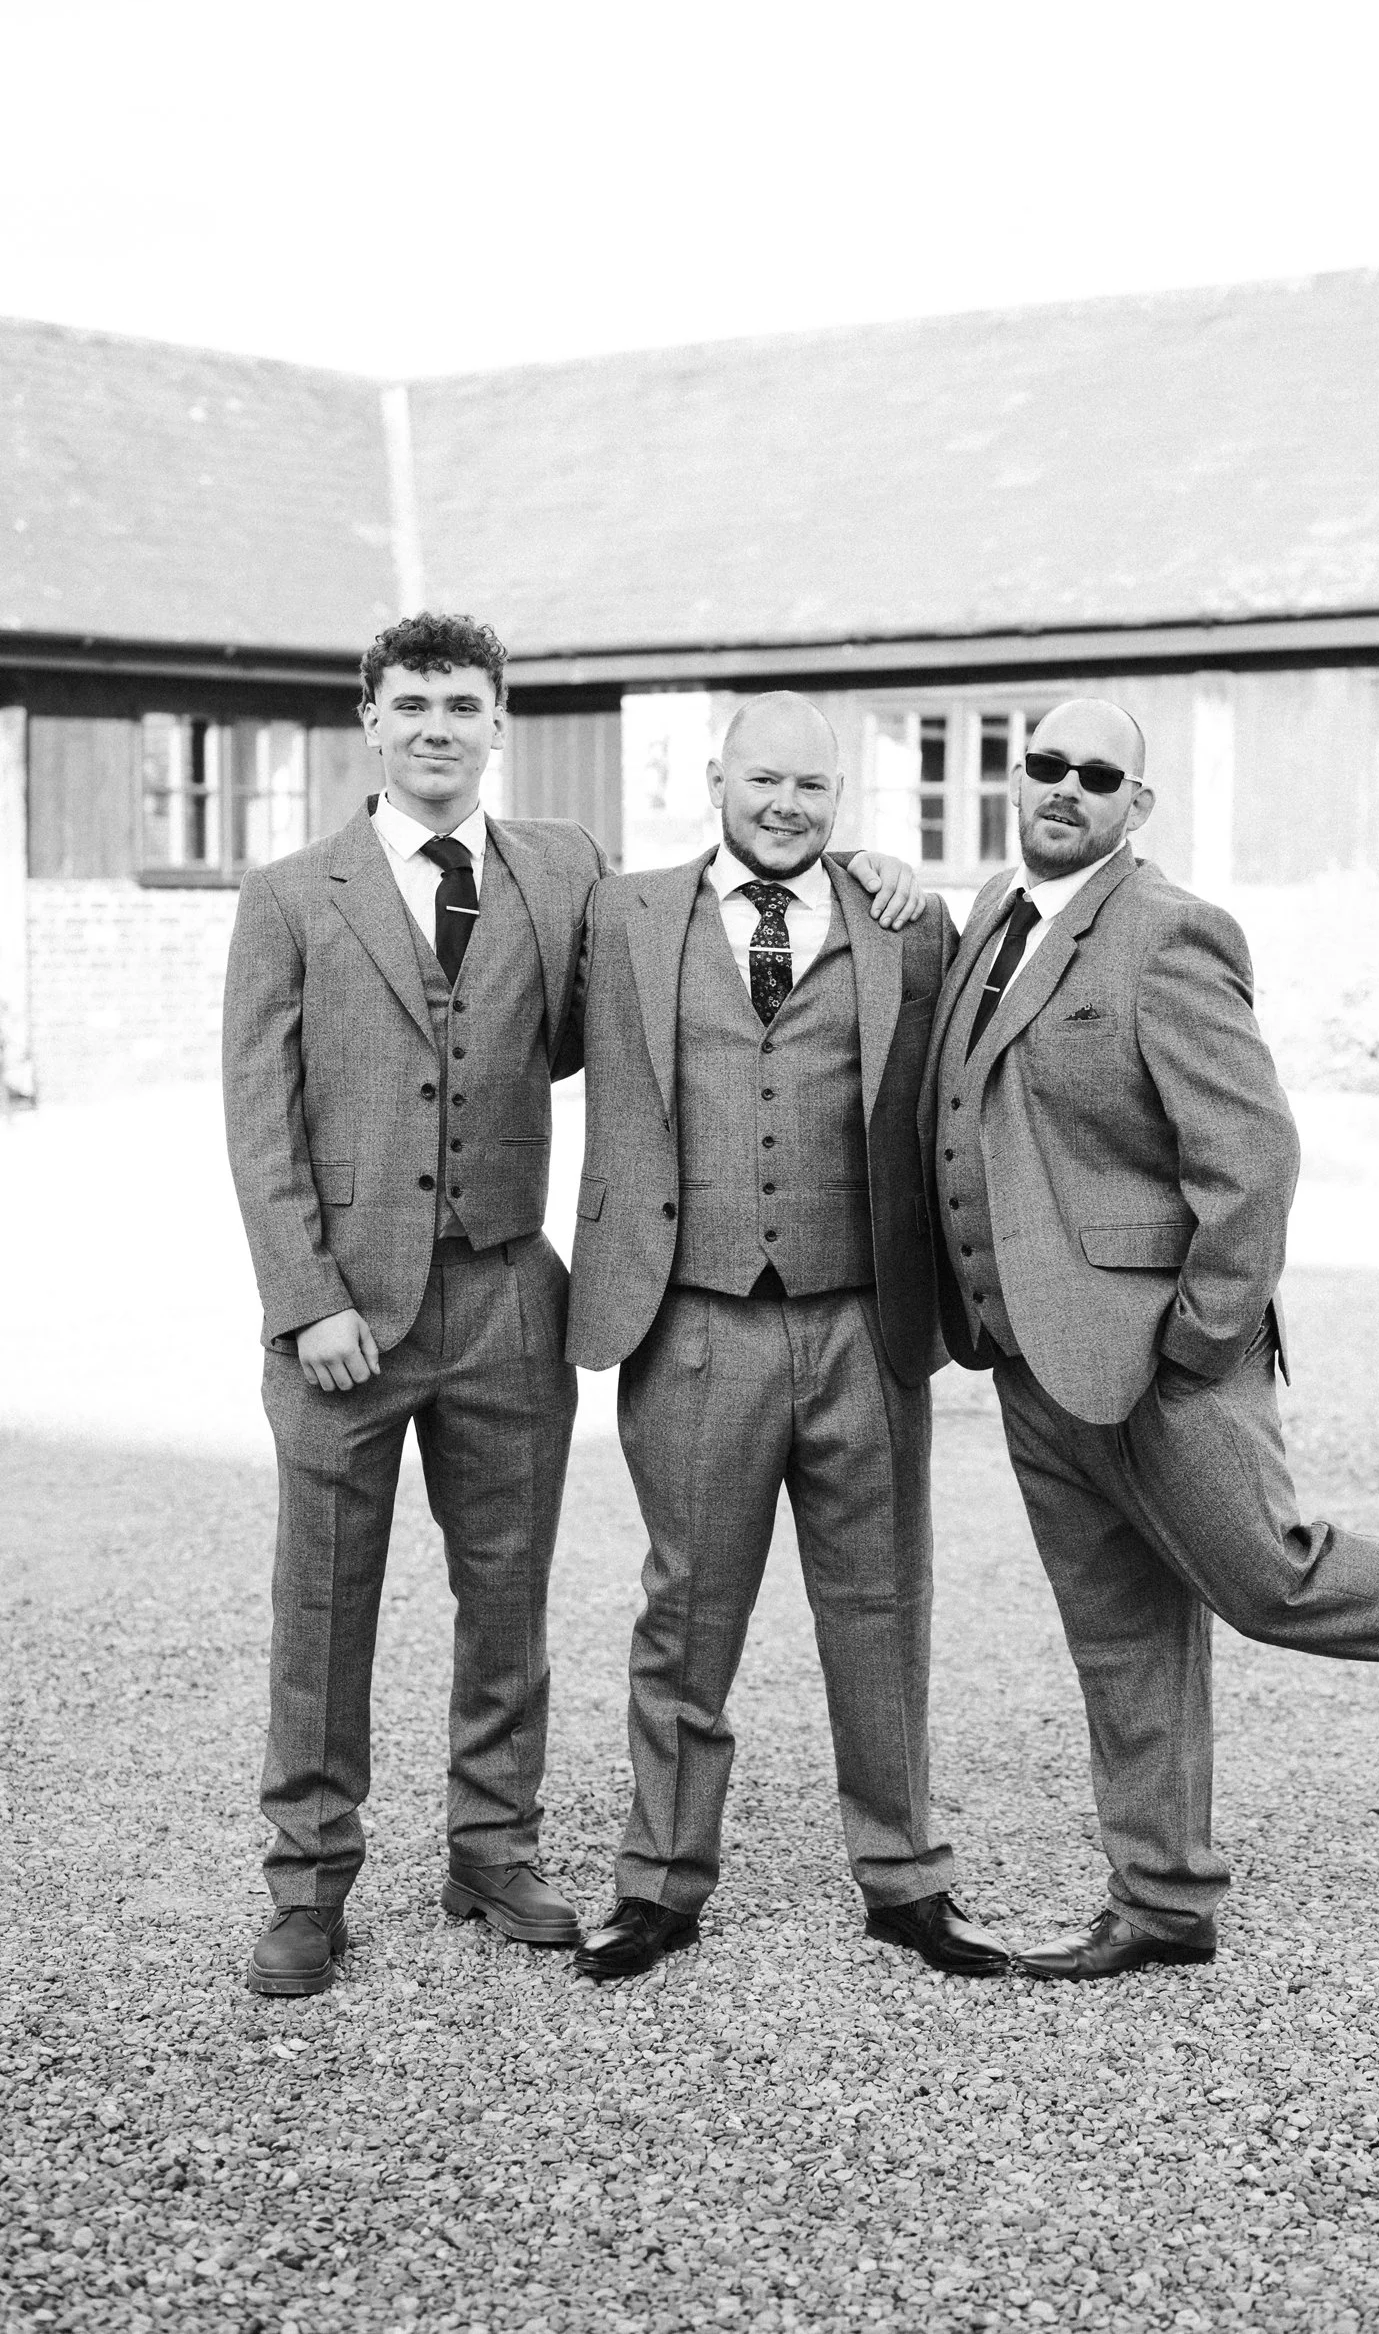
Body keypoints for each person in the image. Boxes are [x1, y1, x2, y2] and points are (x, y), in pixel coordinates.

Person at [223, 620, 924, 1997]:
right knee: (323, 1604)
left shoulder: (566, 875)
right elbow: (258, 1121)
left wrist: (868, 872)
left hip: (508, 1297)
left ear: (502, 724)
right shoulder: (293, 893)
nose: (438, 726)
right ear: (369, 718)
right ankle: (309, 1886)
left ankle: (492, 1852)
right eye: (412, 703)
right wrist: (306, 1299)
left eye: (464, 705)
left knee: (507, 1598)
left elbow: (735, 905)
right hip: (345, 1318)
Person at [922, 695, 1379, 1983]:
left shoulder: (1168, 932)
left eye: (1100, 774)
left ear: (1138, 805)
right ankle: (1162, 1899)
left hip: (1162, 1357)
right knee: (1122, 1635)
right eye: (1044, 766)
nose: (1065, 788)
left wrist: (1198, 1340)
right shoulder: (988, 920)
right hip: (1027, 1359)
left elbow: (1252, 1158)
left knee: (1272, 1582)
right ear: (1013, 781)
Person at [566, 691, 1007, 1981]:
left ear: (841, 800)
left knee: (879, 1607)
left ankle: (905, 1879)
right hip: (693, 1321)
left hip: (865, 1321)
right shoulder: (624, 914)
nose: (787, 805)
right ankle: (658, 1884)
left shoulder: (902, 925)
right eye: (765, 779)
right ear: (717, 777)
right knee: (687, 1612)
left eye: (812, 788)